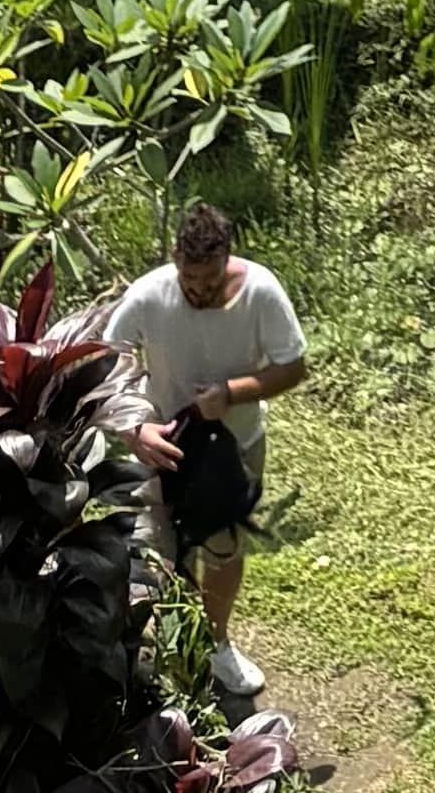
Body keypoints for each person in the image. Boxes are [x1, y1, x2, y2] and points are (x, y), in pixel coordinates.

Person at [100, 201, 308, 712]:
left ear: (227, 260)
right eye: (189, 279)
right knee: (159, 553)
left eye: (210, 281)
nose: (199, 290)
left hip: (236, 448)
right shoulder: (148, 295)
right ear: (175, 260)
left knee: (223, 548)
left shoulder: (261, 291)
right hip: (162, 450)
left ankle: (216, 643)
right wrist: (135, 429)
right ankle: (164, 656)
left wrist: (231, 392)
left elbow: (293, 367)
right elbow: (105, 361)